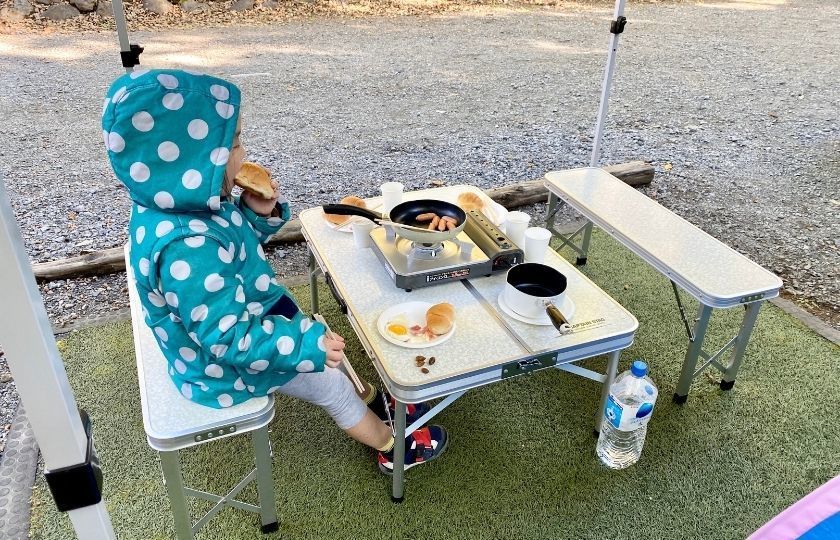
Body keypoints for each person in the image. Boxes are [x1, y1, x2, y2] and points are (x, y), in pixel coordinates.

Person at [101, 68, 447, 472]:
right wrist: (304, 346)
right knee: (331, 383)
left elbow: (230, 252)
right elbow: (227, 338)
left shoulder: (180, 204)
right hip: (223, 366)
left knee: (319, 352)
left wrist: (255, 214)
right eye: (233, 144)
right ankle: (394, 445)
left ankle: (369, 397)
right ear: (189, 156)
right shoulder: (184, 247)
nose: (244, 156)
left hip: (250, 316)